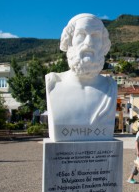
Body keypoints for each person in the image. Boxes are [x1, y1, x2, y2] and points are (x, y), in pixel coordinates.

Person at [45, 13, 116, 142]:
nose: (88, 42)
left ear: (103, 44)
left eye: (95, 36)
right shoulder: (53, 84)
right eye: (81, 35)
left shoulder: (110, 87)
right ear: (69, 41)